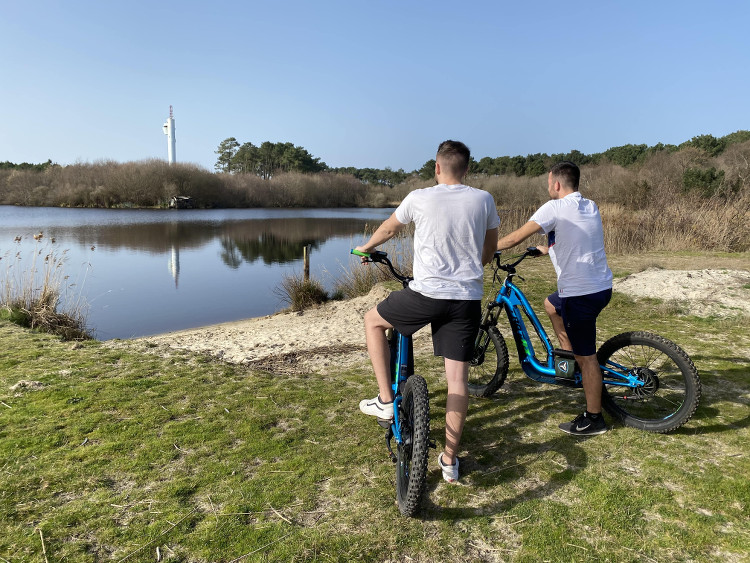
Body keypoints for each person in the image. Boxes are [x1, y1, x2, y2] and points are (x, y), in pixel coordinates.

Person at [355, 140, 500, 483]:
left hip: (426, 295)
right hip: (465, 299)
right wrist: (469, 267)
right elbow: (489, 249)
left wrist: (366, 247)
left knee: (373, 321)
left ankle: (386, 400)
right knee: (457, 381)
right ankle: (449, 460)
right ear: (466, 169)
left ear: (436, 168)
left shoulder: (419, 197)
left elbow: (391, 228)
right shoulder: (483, 199)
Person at [496, 161, 613, 436]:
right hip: (601, 287)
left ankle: (594, 418)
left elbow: (513, 239)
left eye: (549, 182)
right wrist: (546, 248)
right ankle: (569, 360)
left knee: (589, 358)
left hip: (580, 294)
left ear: (557, 184)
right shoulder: (589, 206)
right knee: (551, 305)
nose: (548, 187)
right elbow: (576, 236)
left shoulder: (554, 208)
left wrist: (486, 249)